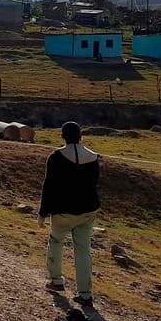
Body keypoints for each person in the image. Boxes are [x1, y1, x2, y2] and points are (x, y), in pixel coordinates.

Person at [38, 121, 101, 306]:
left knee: (56, 241)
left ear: (63, 137)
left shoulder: (56, 157)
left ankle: (56, 280)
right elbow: (94, 183)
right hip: (88, 210)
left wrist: (43, 212)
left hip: (62, 211)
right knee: (83, 250)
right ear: (81, 136)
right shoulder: (93, 157)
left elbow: (48, 186)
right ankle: (85, 293)